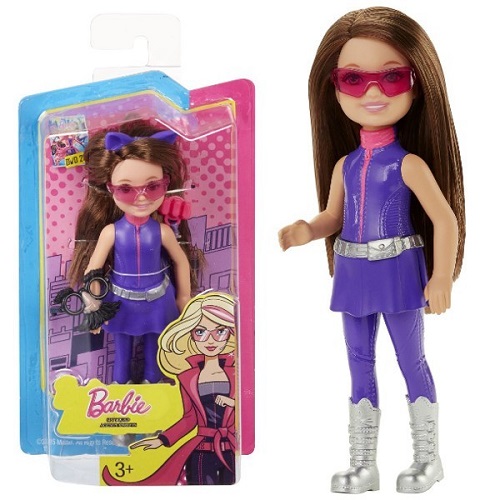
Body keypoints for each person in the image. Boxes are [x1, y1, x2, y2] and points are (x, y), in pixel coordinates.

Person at [278, 6, 465, 494]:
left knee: (410, 360)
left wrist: (441, 277)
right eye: (354, 79)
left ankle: (428, 458)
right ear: (334, 88)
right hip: (353, 273)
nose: (374, 93)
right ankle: (363, 464)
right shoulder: (344, 165)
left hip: (400, 271)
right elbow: (333, 217)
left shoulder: (409, 164)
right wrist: (307, 230)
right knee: (358, 363)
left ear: (416, 85)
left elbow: (445, 219)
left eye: (392, 77)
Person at [68, 122, 192, 384]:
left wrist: (184, 297)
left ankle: (153, 389)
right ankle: (119, 388)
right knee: (121, 350)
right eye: (126, 189)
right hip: (120, 299)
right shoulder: (111, 232)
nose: (141, 198)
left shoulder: (163, 231)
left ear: (166, 184)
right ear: (110, 188)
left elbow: (181, 261)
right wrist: (94, 304)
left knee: (155, 348)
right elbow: (93, 270)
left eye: (153, 187)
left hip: (158, 298)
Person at [101, 292, 237, 485]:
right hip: (201, 450)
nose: (210, 340)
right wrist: (162, 440)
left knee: (151, 363)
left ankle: (146, 420)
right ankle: (130, 422)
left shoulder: (235, 372)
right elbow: (189, 418)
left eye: (220, 332)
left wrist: (232, 403)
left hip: (230, 447)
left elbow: (246, 403)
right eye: (200, 332)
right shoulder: (188, 378)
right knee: (126, 364)